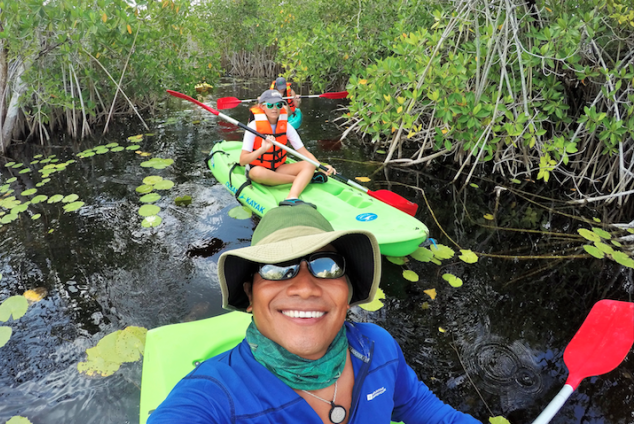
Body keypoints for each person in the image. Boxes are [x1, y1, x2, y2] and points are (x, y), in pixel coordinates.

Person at [148, 204, 481, 424]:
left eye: (328, 265)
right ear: (250, 295)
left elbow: (425, 410)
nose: (305, 288)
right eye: (277, 268)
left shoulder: (378, 347)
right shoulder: (213, 395)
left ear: (348, 293)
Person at [240, 89, 334, 206]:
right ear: (262, 107)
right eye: (270, 105)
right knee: (256, 173)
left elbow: (303, 152)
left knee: (309, 163)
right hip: (259, 169)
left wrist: (321, 167)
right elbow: (242, 161)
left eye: (278, 105)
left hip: (279, 168)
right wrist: (262, 149)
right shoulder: (253, 127)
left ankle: (292, 197)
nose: (275, 108)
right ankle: (300, 180)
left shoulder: (287, 127)